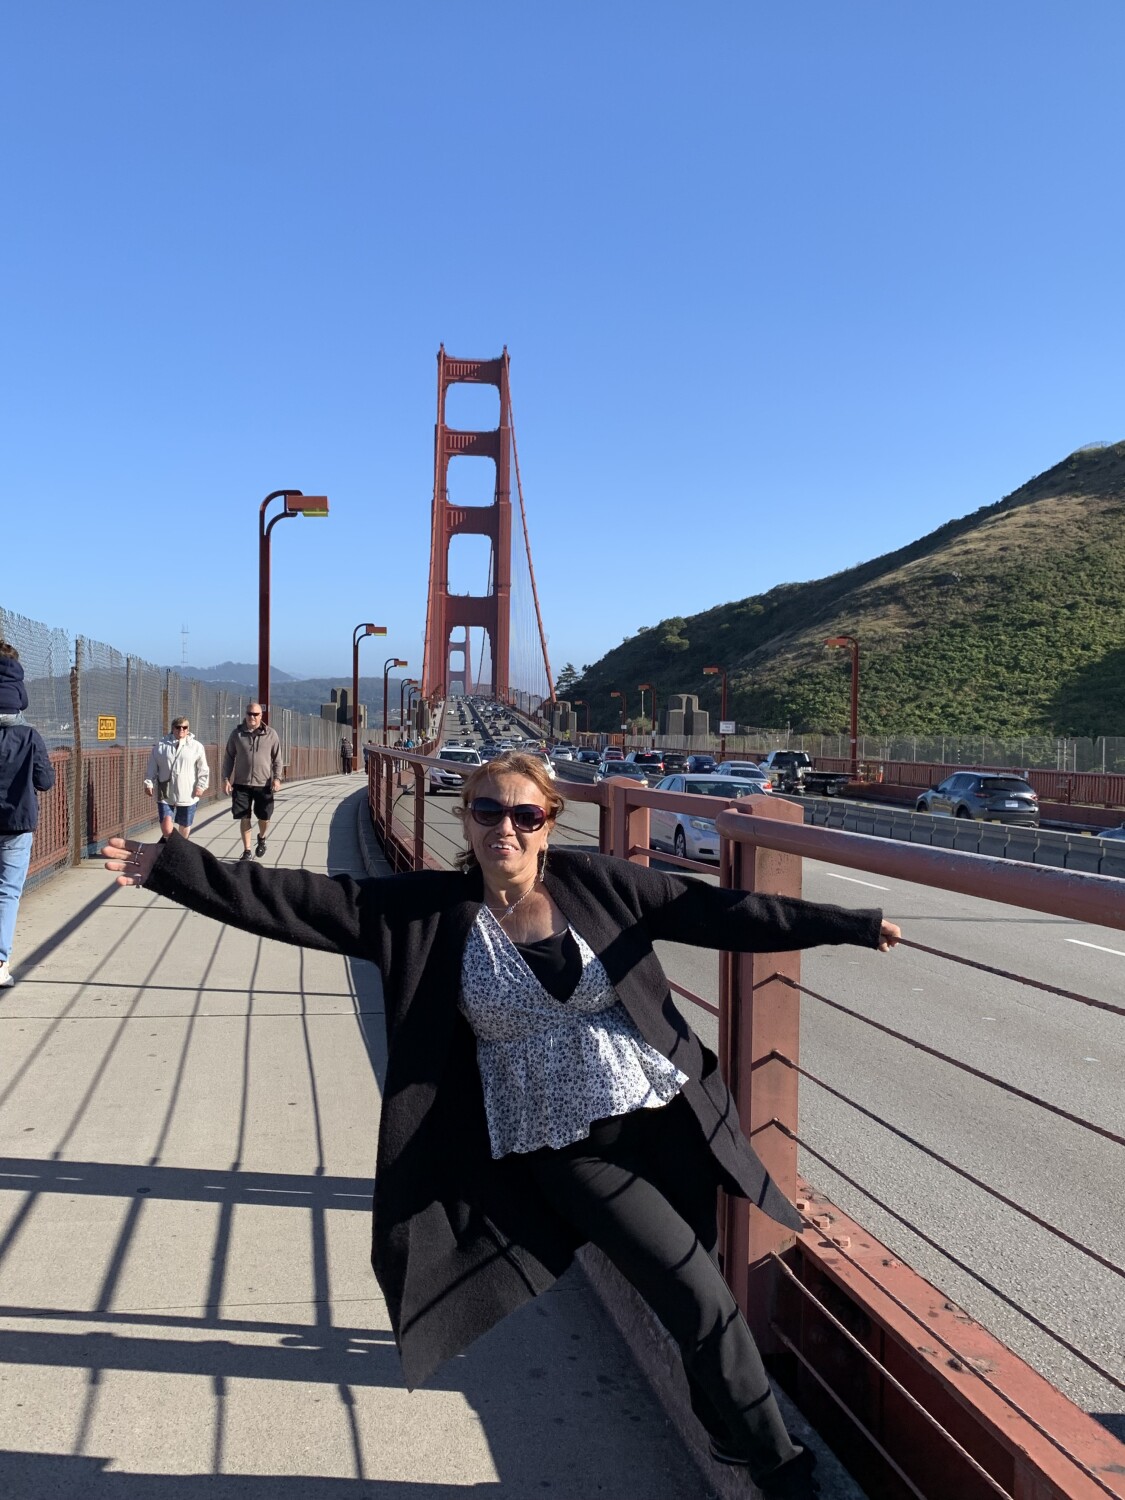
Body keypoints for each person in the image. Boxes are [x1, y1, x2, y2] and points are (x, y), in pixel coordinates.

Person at [102, 751, 899, 1496]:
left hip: (664, 1121)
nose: (504, 829)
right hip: (566, 1148)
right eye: (487, 812)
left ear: (548, 822)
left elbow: (716, 912)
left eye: (524, 815)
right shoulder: (427, 912)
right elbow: (296, 901)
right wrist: (175, 868)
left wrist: (850, 925)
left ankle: (724, 1422)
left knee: (700, 1290)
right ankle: (783, 1472)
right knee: (698, 1297)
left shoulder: (595, 883)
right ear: (467, 818)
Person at [0, 642, 56, 988]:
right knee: (7, 892)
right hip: (17, 823)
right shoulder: (29, 736)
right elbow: (44, 781)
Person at [222, 703, 281, 862]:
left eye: (255, 714)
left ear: (261, 716)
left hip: (264, 784)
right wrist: (226, 779)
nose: (252, 717)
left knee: (264, 817)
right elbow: (229, 757)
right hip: (241, 783)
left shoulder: (271, 734)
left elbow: (277, 759)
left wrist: (277, 778)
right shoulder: (237, 734)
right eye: (249, 713)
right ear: (245, 714)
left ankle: (262, 837)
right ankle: (247, 850)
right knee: (244, 817)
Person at [144, 718, 210, 839]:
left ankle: (181, 845)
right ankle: (169, 842)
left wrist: (201, 786)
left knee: (185, 824)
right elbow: (152, 767)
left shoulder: (196, 746)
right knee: (166, 824)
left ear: (188, 729)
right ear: (173, 728)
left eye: (184, 727)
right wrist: (149, 783)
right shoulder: (161, 746)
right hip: (165, 790)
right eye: (178, 727)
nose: (181, 730)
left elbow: (203, 769)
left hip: (188, 791)